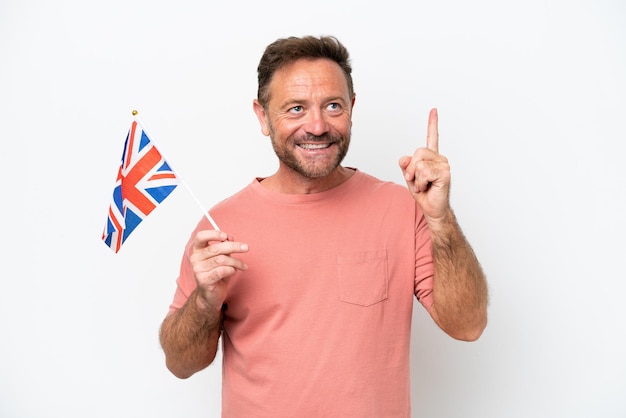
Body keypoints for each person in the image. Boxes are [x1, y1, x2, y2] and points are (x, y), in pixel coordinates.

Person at [159, 35, 488, 417]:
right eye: (295, 109)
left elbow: (468, 325)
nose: (316, 126)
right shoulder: (220, 227)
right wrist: (205, 300)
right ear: (262, 116)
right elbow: (181, 364)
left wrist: (439, 217)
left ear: (351, 108)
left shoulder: (401, 208)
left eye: (332, 106)